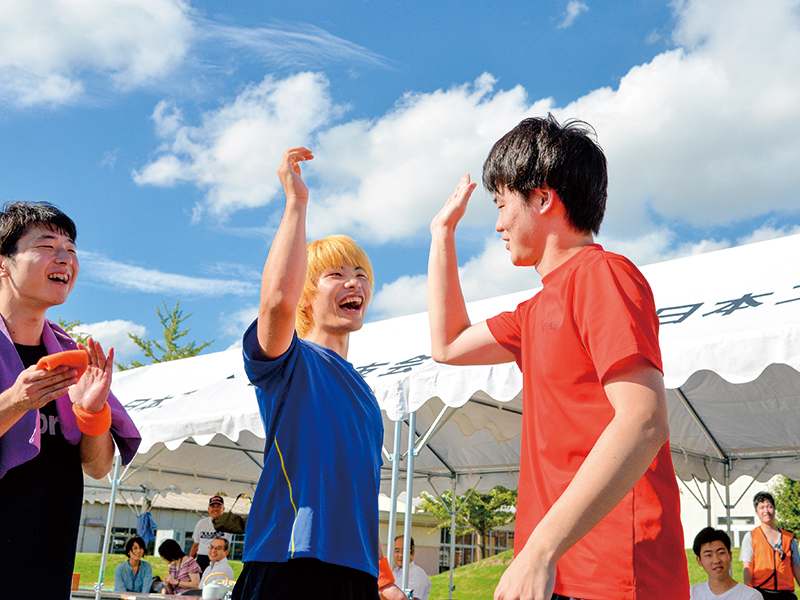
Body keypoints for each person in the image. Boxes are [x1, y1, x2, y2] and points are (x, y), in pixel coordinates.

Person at [427, 116, 689, 600]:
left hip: (615, 577)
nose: (499, 224)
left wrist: (539, 550)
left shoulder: (603, 274)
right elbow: (448, 344)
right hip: (557, 572)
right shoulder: (533, 312)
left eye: (502, 205)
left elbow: (644, 420)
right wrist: (442, 233)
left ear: (543, 198)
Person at [232, 147, 405, 600]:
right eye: (335, 274)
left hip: (358, 574)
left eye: (361, 274)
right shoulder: (291, 362)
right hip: (290, 563)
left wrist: (384, 580)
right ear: (307, 295)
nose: (354, 282)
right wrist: (296, 202)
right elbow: (276, 303)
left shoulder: (366, 395)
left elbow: (355, 497)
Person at [0, 201, 141, 599]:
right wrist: (16, 401)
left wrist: (92, 413)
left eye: (72, 250)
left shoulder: (72, 358)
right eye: (46, 246)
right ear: (3, 264)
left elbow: (98, 467)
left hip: (48, 571)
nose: (65, 258)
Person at [741, 491, 800, 598]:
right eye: (762, 507)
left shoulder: (789, 538)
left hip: (786, 594)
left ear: (774, 509)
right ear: (756, 512)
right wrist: (749, 591)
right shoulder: (751, 537)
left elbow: (796, 566)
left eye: (769, 506)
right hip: (761, 593)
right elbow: (747, 567)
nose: (766, 511)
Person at [691, 527, 760, 600]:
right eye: (708, 555)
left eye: (721, 553)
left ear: (730, 555)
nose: (716, 560)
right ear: (699, 561)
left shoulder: (750, 596)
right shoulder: (691, 594)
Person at [190, 495, 233, 571]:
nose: (215, 509)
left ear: (223, 509)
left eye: (218, 506)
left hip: (218, 558)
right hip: (202, 558)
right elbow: (196, 545)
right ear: (208, 509)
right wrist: (189, 562)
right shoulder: (202, 523)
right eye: (213, 506)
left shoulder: (228, 524)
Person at [393, 535, 431, 600]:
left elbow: (410, 598)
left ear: (412, 553)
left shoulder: (418, 573)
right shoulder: (393, 573)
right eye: (397, 551)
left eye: (404, 551)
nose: (400, 555)